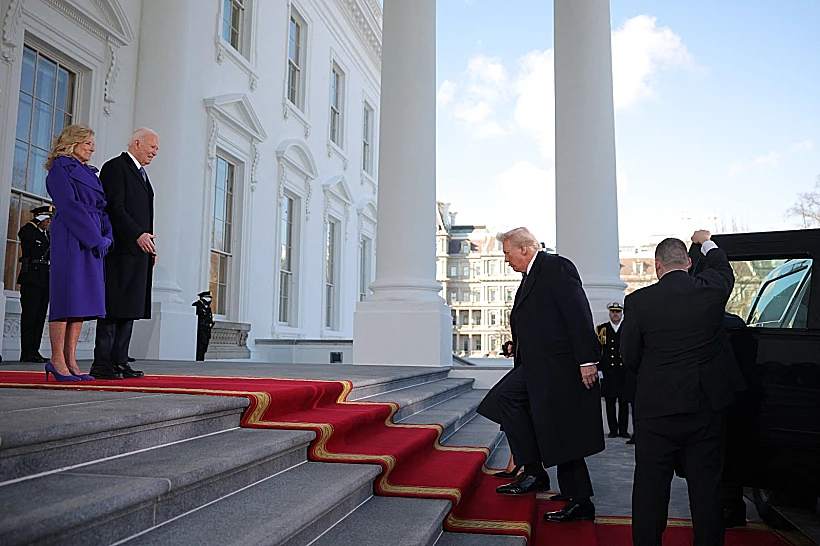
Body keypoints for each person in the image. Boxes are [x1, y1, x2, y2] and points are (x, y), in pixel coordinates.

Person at [621, 230, 746, 546]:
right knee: (707, 491)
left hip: (656, 409)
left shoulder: (637, 301)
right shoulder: (711, 290)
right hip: (705, 409)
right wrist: (705, 240)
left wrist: (654, 377)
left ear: (656, 267)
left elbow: (629, 355)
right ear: (688, 263)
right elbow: (721, 267)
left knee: (650, 489)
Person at [493, 227, 604, 524]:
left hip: (561, 368)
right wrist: (517, 345)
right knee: (508, 401)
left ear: (525, 249)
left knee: (564, 432)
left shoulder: (556, 266)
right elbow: (541, 321)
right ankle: (533, 471)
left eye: (507, 253)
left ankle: (577, 500)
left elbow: (578, 313)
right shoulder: (531, 275)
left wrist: (587, 360)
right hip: (537, 366)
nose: (506, 259)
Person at [45, 124, 113, 382]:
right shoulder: (60, 168)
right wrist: (95, 238)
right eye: (87, 143)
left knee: (81, 300)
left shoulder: (90, 173)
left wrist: (107, 235)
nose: (92, 148)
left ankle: (71, 360)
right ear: (72, 143)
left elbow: (102, 207)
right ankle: (56, 360)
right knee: (66, 296)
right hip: (73, 236)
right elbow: (68, 205)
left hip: (93, 237)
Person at [90, 128, 158, 380]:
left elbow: (143, 214)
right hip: (120, 249)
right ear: (136, 143)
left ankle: (120, 360)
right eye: (152, 146)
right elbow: (115, 208)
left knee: (129, 307)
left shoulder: (142, 175)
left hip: (139, 249)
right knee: (113, 306)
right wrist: (136, 235)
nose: (155, 152)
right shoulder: (115, 167)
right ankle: (102, 362)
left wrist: (150, 245)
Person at [17, 205, 54, 363]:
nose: (49, 221)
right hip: (31, 278)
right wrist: (34, 222)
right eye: (46, 218)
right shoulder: (29, 230)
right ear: (38, 218)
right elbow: (25, 237)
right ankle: (27, 351)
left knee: (39, 316)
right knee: (30, 316)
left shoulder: (47, 235)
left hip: (44, 279)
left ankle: (35, 350)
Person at [596, 302, 632, 440]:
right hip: (608, 371)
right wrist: (599, 369)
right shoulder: (601, 330)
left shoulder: (627, 328)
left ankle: (623, 430)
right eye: (613, 312)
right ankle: (613, 430)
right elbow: (598, 350)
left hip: (623, 371)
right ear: (609, 313)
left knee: (624, 402)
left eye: (617, 312)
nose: (615, 314)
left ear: (621, 313)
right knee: (610, 402)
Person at [193, 290, 215, 361]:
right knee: (199, 346)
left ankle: (201, 359)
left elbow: (209, 317)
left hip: (206, 330)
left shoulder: (207, 307)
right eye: (208, 297)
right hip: (200, 330)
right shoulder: (197, 305)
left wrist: (211, 323)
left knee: (204, 346)